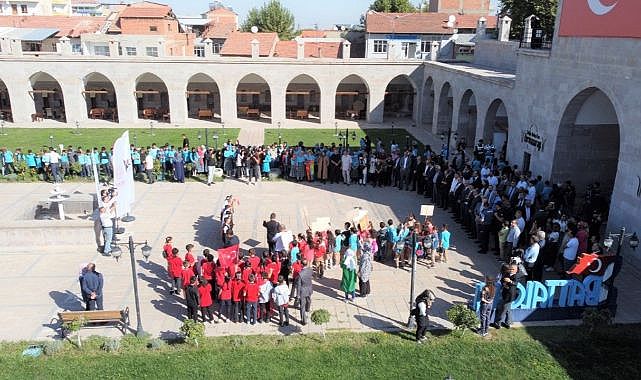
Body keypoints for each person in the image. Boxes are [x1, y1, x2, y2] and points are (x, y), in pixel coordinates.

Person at [492, 264, 517, 329]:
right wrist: (504, 284)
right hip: (504, 294)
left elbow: (515, 283)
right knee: (507, 309)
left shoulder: (517, 276)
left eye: (513, 269)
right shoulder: (507, 274)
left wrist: (510, 281)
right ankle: (508, 323)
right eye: (510, 269)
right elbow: (502, 280)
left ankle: (498, 324)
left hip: (509, 297)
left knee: (502, 310)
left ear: (516, 270)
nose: (511, 270)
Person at [296, 259, 313, 325]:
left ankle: (304, 320)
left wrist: (297, 295)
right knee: (308, 299)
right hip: (309, 288)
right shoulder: (310, 270)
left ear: (302, 265)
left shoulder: (300, 274)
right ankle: (308, 308)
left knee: (302, 306)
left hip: (303, 290)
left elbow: (299, 285)